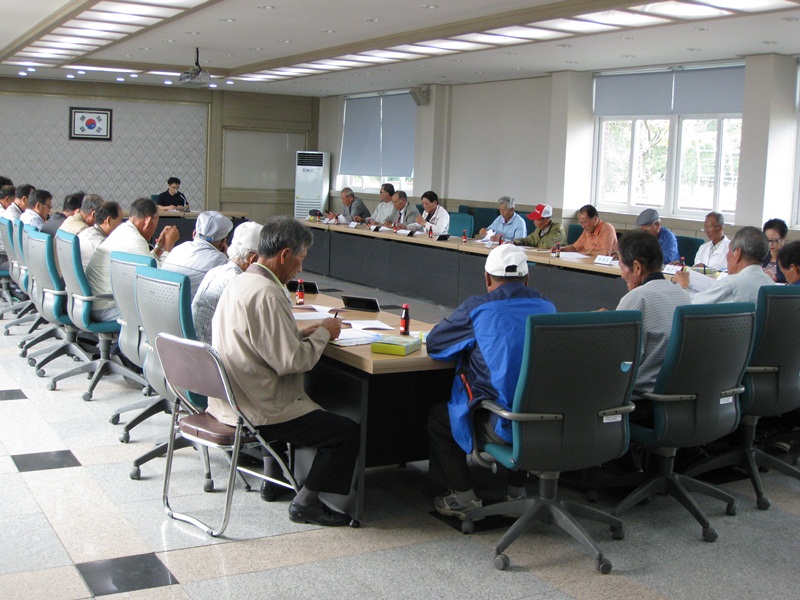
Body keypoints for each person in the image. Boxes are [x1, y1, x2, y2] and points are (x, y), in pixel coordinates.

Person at [210, 216, 358, 527]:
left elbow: (260, 342)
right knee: (346, 432)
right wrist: (324, 334)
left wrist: (305, 333)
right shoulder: (268, 293)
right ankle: (307, 503)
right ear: (284, 255)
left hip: (232, 399)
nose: (301, 268)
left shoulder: (239, 282)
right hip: (262, 408)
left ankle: (275, 478)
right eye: (300, 259)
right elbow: (292, 362)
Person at [426, 244, 556, 519]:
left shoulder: (479, 308)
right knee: (526, 394)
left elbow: (435, 345)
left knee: (439, 419)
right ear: (527, 278)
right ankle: (516, 492)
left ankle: (464, 498)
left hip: (503, 423)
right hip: (549, 421)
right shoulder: (548, 307)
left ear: (487, 278)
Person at [615, 231, 690, 394]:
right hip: (675, 396)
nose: (621, 275)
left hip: (641, 399)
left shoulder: (637, 298)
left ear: (637, 267)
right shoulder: (683, 294)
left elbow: (620, 362)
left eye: (621, 266)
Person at [86, 198, 179, 321]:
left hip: (97, 303)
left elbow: (146, 263)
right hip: (107, 308)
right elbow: (158, 279)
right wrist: (168, 247)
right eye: (156, 223)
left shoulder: (123, 231)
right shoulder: (136, 240)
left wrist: (159, 248)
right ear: (148, 221)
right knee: (166, 313)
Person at [191, 221, 262, 345]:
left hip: (198, 353)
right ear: (253, 259)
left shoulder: (215, 271)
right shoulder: (239, 284)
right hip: (217, 358)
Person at [673, 226, 773, 305]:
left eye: (729, 251)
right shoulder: (770, 283)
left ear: (737, 253)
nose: (727, 256)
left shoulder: (729, 285)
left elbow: (691, 308)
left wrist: (683, 286)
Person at [162, 210, 233, 299]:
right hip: (191, 312)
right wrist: (228, 255)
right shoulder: (220, 260)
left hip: (163, 309)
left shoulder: (177, 249)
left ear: (194, 233)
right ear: (222, 242)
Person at [77, 201, 123, 268]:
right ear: (109, 220)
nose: (121, 225)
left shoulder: (86, 232)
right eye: (120, 221)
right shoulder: (101, 244)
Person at [762, 218, 788, 283]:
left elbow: (794, 275)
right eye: (767, 240)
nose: (770, 244)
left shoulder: (791, 256)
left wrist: (775, 277)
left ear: (783, 238)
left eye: (774, 240)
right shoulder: (762, 255)